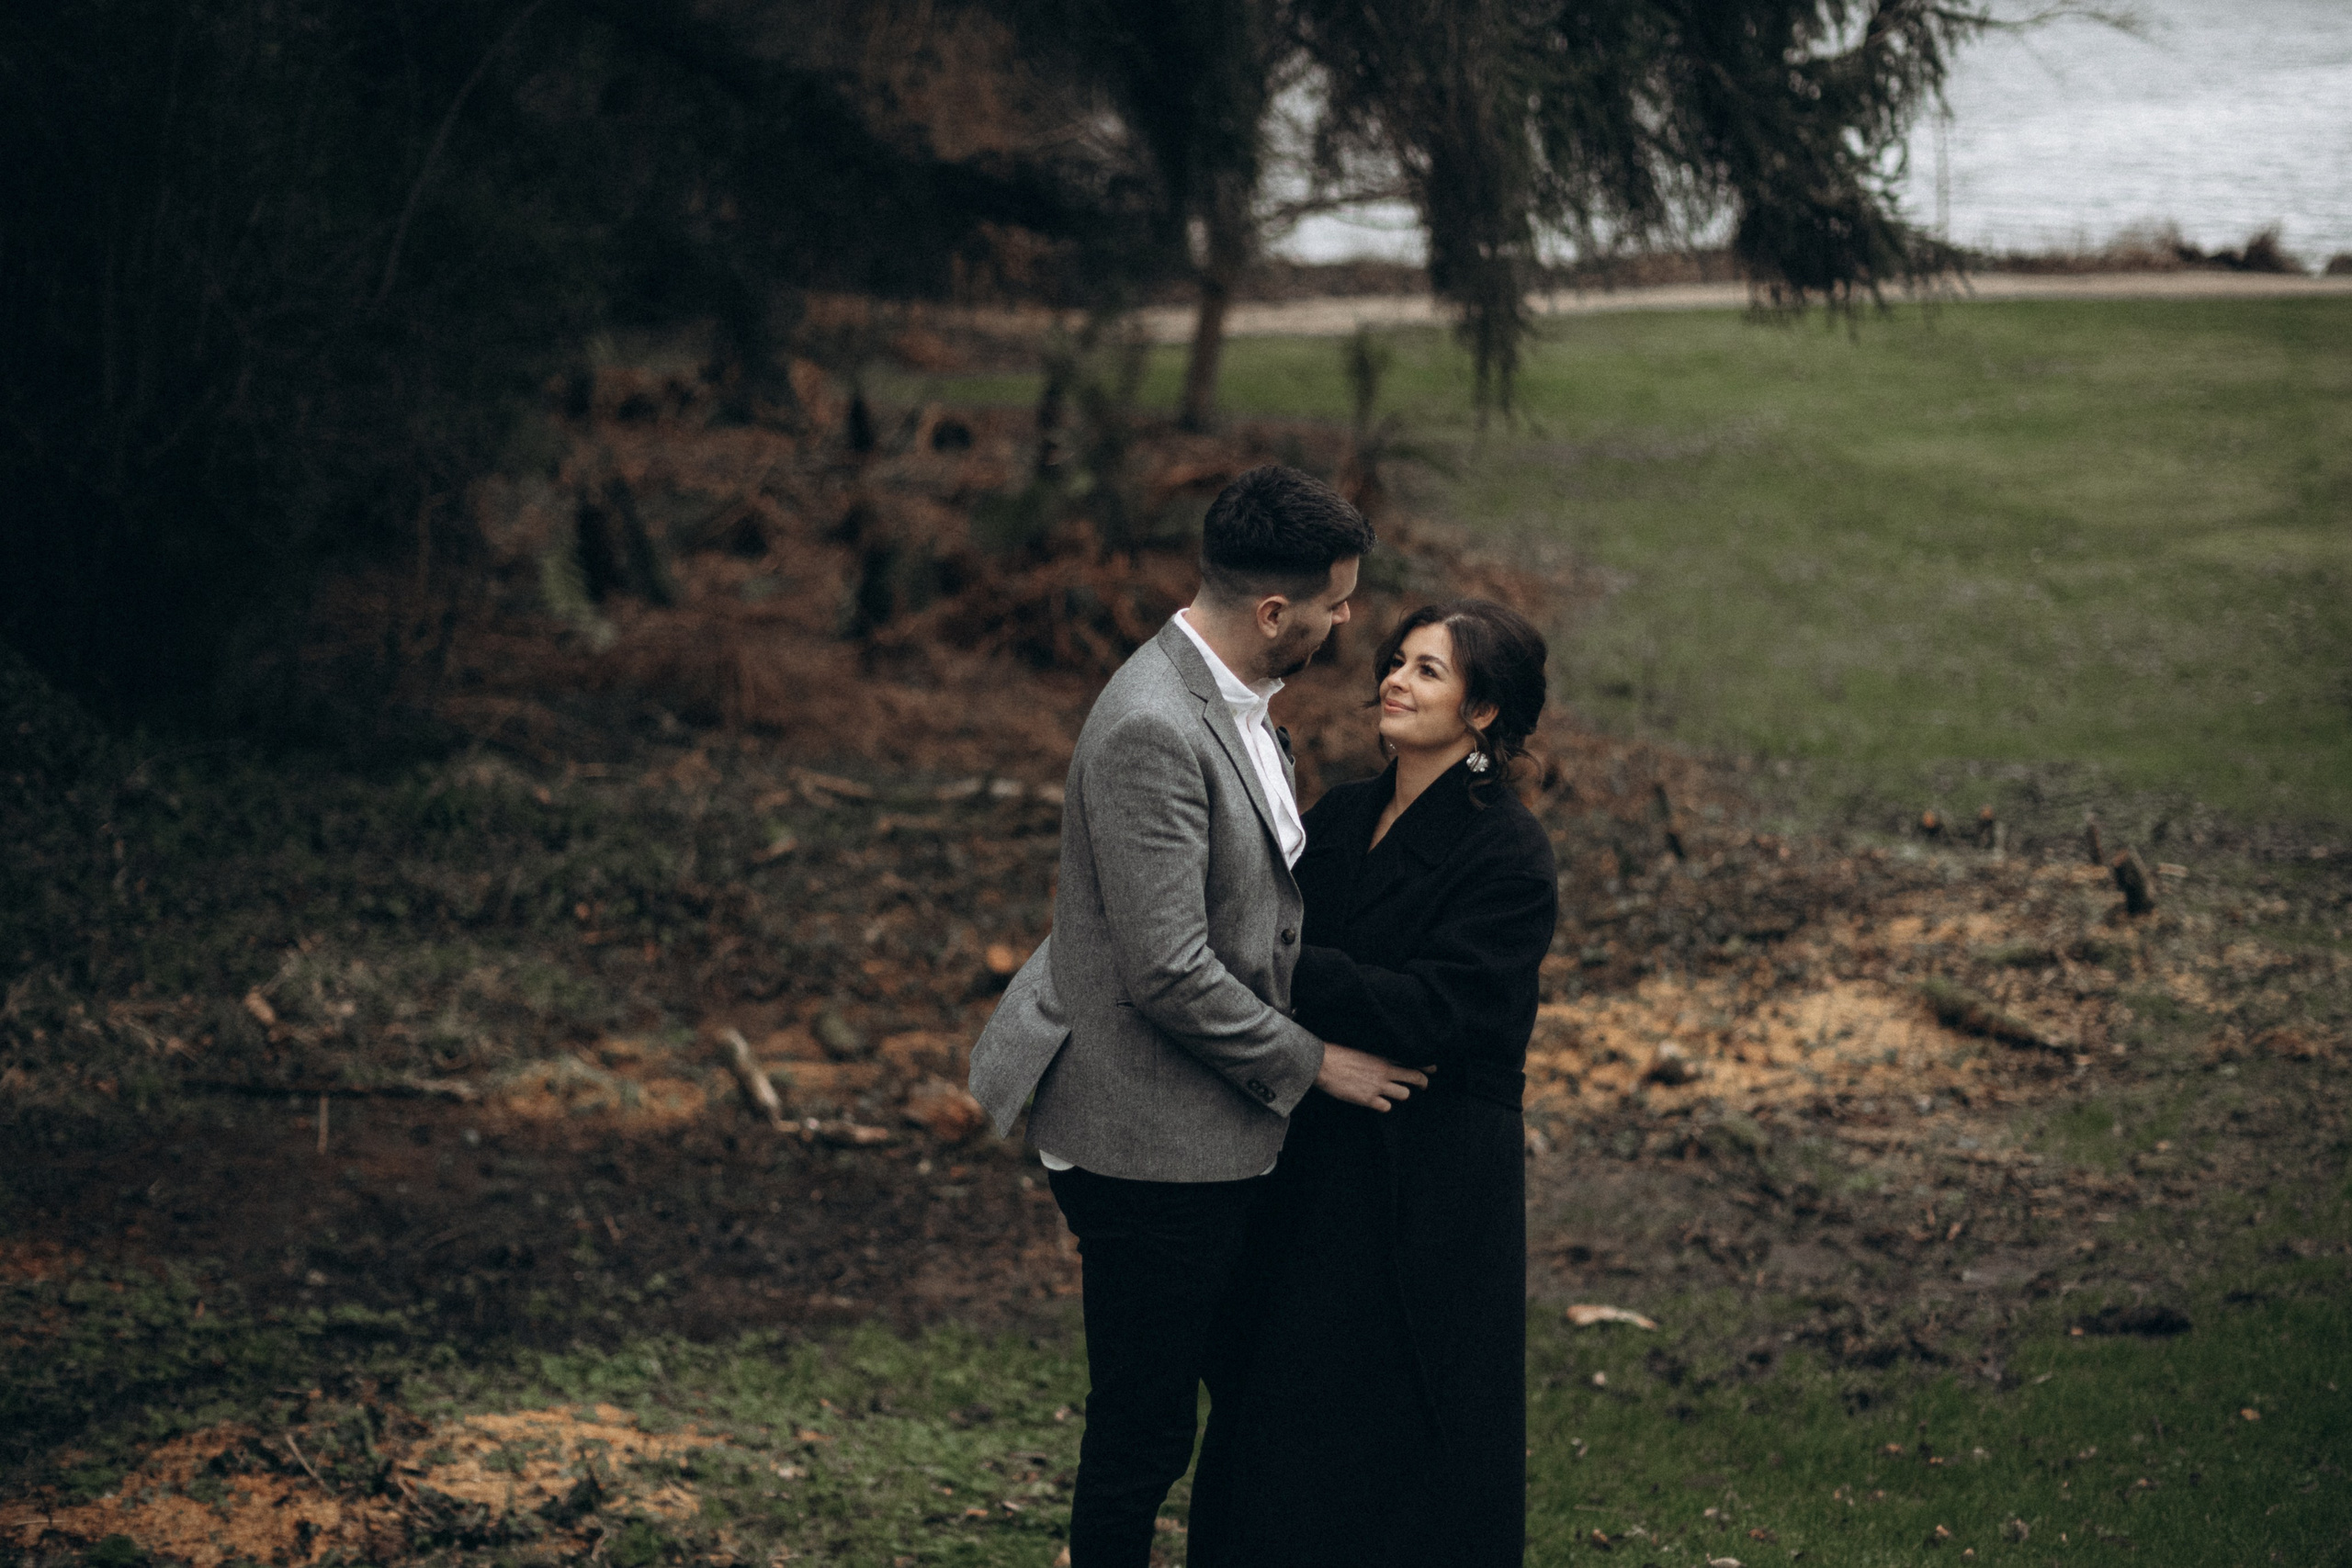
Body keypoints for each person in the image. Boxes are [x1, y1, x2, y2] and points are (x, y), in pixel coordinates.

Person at [967, 465, 1430, 1568]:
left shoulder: (1232, 701)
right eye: (1334, 602)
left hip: (1205, 1125)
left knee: (1243, 1393)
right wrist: (1315, 1062)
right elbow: (1169, 970)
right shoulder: (1150, 729)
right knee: (1141, 1429)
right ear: (1274, 612)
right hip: (1144, 1140)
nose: (1346, 620)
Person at [1186, 598, 1561, 1568]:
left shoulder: (1507, 851)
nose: (1393, 678)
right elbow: (1254, 939)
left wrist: (1294, 963)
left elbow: (1443, 1012)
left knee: (1407, 1413)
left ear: (1482, 712)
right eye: (1397, 660)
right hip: (1314, 1139)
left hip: (1431, 1172)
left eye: (1427, 670)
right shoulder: (1343, 812)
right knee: (1281, 1389)